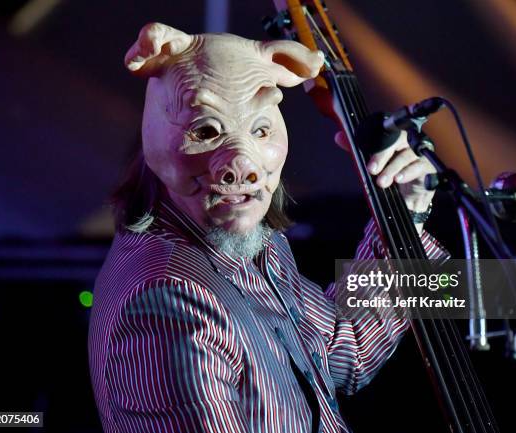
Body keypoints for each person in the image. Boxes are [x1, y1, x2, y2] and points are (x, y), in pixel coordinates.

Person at [88, 23, 447, 433]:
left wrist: (408, 212)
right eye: (206, 130)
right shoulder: (169, 301)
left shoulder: (252, 242)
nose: (243, 164)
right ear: (156, 143)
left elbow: (344, 350)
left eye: (260, 130)